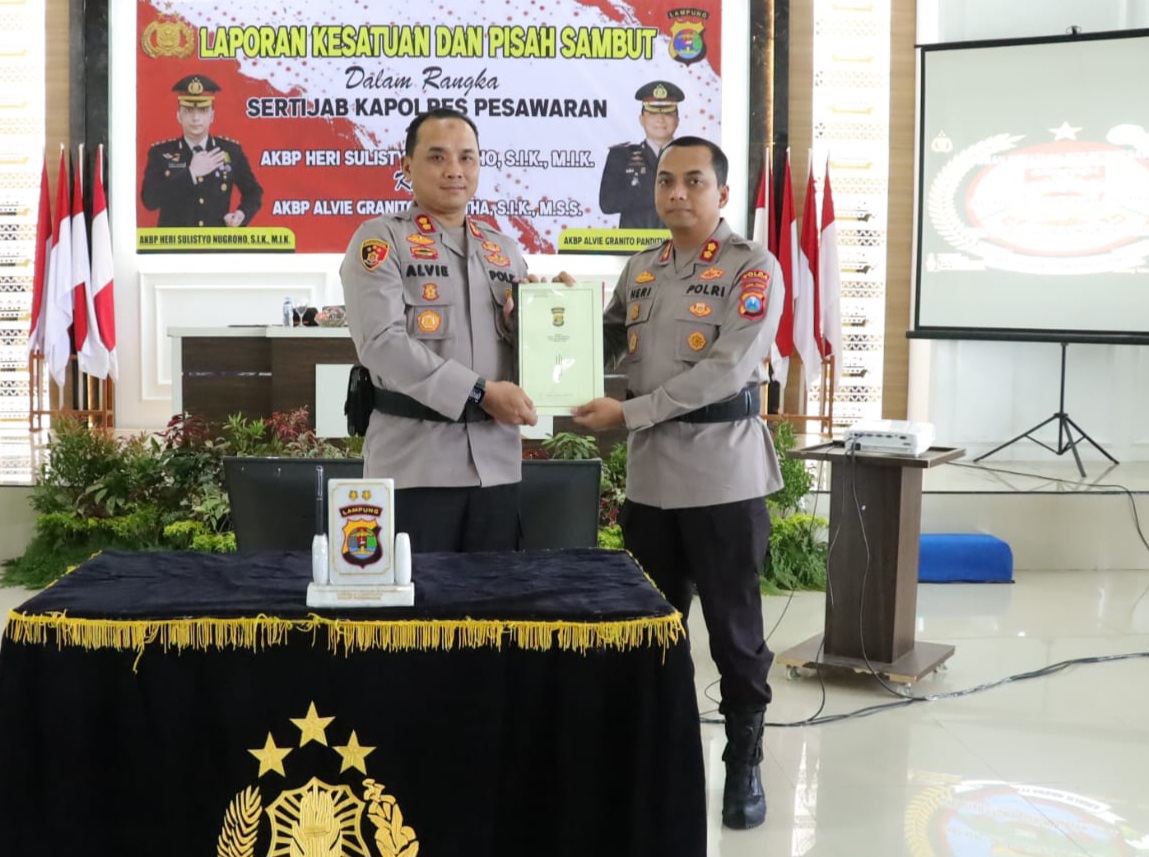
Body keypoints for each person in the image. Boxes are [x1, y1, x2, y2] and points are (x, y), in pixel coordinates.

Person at [573, 137, 784, 831]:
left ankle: (743, 760)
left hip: (722, 476)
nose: (676, 193)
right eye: (666, 180)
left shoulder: (752, 267)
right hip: (652, 480)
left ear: (720, 192)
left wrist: (628, 413)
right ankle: (656, 753)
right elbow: (605, 340)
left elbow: (726, 371)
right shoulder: (641, 267)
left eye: (693, 181)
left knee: (734, 634)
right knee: (652, 630)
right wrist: (554, 315)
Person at [340, 108, 539, 553]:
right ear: (407, 166)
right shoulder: (380, 241)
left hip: (496, 467)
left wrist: (547, 319)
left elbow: (526, 353)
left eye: (467, 157)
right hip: (415, 467)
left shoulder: (504, 251)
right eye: (437, 157)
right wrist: (478, 392)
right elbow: (381, 343)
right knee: (417, 598)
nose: (454, 170)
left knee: (493, 598)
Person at [140, 74, 263, 228]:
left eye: (203, 110)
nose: (196, 118)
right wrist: (191, 173)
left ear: (212, 116)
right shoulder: (161, 153)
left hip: (215, 241)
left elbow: (254, 192)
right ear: (179, 115)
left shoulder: (230, 151)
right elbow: (149, 200)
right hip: (175, 242)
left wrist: (241, 215)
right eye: (188, 110)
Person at [598, 80, 684, 229]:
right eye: (653, 113)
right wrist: (659, 191)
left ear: (677, 120)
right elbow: (607, 204)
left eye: (668, 113)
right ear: (641, 119)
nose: (660, 119)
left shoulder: (692, 156)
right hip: (634, 242)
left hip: (679, 241)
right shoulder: (621, 156)